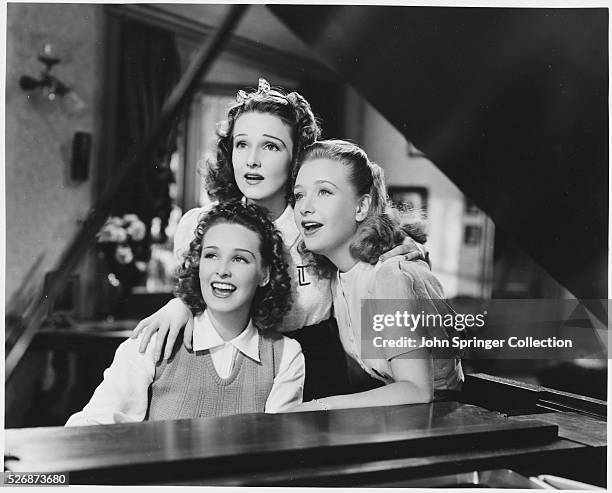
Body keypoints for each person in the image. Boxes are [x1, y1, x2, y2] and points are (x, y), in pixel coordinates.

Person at [132, 79, 425, 400]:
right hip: (233, 366)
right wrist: (182, 304)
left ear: (296, 158)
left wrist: (404, 252)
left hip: (316, 367)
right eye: (242, 144)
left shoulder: (320, 226)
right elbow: (203, 292)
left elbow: (384, 277)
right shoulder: (202, 225)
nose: (252, 159)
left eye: (270, 146)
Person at [66, 202, 304, 426]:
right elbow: (89, 426)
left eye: (239, 259)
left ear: (264, 274)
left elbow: (279, 455)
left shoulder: (284, 356)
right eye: (211, 255)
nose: (222, 271)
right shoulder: (153, 341)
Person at [290, 140, 464, 411]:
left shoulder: (388, 277)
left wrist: (317, 407)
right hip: (398, 417)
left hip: (441, 420)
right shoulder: (340, 277)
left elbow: (416, 390)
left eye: (324, 191)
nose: (305, 207)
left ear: (361, 207)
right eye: (299, 195)